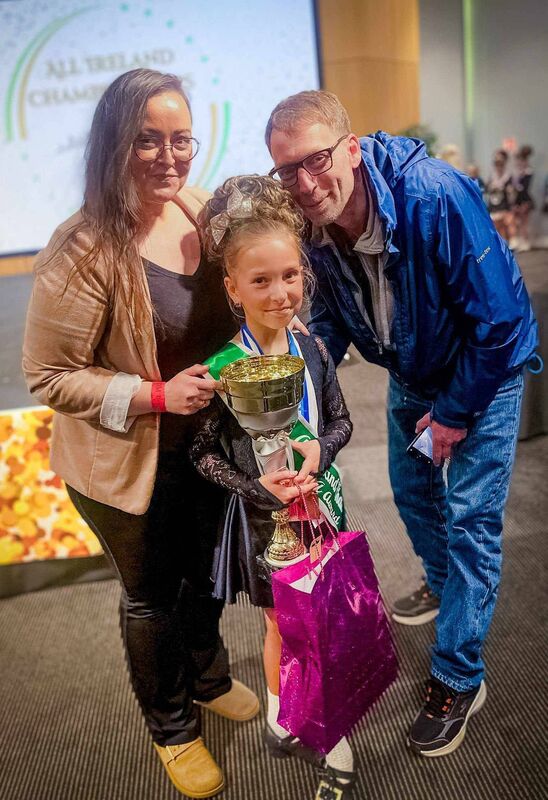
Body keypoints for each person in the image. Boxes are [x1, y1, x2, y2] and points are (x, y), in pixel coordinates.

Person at [265, 90, 538, 757]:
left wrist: (451, 417)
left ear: (352, 150)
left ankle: (459, 676)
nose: (304, 183)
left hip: (482, 376)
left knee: (472, 520)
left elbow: (500, 324)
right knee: (413, 491)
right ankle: (448, 589)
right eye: (287, 171)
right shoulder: (311, 225)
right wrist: (305, 413)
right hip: (415, 376)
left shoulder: (433, 197)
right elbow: (327, 324)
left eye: (317, 160)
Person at [22, 68, 260, 799]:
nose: (169, 156)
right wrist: (155, 395)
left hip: (208, 448)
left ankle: (210, 676)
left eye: (180, 138)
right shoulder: (83, 248)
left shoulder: (194, 205)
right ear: (113, 145)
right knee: (152, 596)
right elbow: (49, 376)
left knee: (206, 576)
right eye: (147, 140)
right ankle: (172, 727)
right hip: (129, 461)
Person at [191, 174, 355, 799]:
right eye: (260, 280)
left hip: (322, 510)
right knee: (281, 629)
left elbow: (341, 420)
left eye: (290, 275)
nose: (279, 291)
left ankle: (333, 735)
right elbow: (204, 456)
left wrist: (323, 447)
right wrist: (260, 488)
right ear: (232, 288)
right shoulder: (220, 370)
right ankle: (282, 710)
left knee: (324, 627)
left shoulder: (312, 348)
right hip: (263, 527)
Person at [486, 148, 515, 241]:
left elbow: (511, 192)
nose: (498, 167)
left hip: (504, 205)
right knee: (496, 228)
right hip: (494, 204)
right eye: (496, 164)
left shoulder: (508, 176)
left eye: (500, 164)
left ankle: (507, 245)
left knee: (506, 226)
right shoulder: (491, 176)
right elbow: (487, 189)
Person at [511, 145, 535, 252]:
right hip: (518, 199)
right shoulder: (518, 173)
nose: (519, 163)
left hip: (525, 199)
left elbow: (524, 188)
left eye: (521, 161)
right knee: (518, 222)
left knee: (524, 221)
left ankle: (526, 242)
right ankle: (521, 241)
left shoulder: (528, 171)